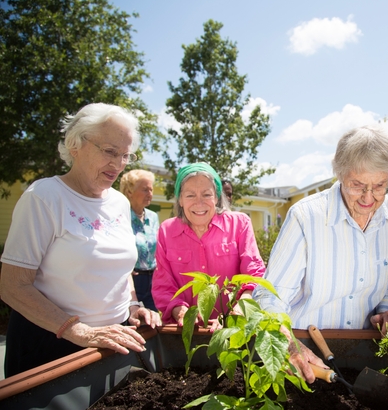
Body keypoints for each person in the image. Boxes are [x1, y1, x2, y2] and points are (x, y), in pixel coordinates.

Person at [0, 103, 161, 377]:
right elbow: (13, 286)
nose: (118, 164)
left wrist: (134, 305)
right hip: (51, 346)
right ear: (75, 144)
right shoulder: (44, 197)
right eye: (110, 151)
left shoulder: (120, 203)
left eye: (125, 155)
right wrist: (80, 331)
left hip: (112, 343)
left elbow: (121, 269)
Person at [253, 125, 388, 382]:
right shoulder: (306, 217)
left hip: (363, 355)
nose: (368, 198)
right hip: (305, 357)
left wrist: (386, 309)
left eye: (379, 185)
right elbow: (269, 295)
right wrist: (287, 343)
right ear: (339, 175)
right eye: (357, 185)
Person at [152, 162, 265, 328]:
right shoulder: (167, 230)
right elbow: (163, 285)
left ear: (217, 197)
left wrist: (241, 307)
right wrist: (181, 312)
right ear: (180, 200)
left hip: (233, 329)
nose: (199, 203)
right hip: (188, 332)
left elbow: (254, 273)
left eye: (206, 195)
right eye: (190, 195)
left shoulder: (239, 224)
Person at [120, 169, 160, 311]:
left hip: (153, 279)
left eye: (151, 189)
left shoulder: (153, 217)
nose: (150, 194)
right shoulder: (120, 216)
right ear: (129, 191)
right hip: (129, 280)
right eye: (144, 189)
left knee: (154, 323)